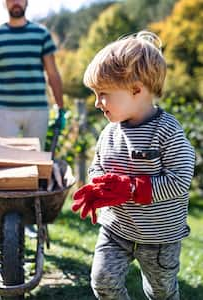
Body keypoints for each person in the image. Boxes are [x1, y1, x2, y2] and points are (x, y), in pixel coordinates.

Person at [72, 31, 195, 300]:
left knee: (161, 292)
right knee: (103, 282)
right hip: (116, 228)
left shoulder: (167, 130)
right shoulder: (109, 132)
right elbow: (98, 167)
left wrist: (129, 189)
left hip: (160, 235)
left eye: (102, 93)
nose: (97, 103)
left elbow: (180, 179)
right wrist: (98, 186)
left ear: (136, 89)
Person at [0, 0, 65, 239]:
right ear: (5, 3)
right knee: (0, 167)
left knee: (35, 167)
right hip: (5, 111)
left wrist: (60, 108)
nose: (16, 2)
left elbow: (52, 73)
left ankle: (30, 219)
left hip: (37, 110)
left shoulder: (40, 34)